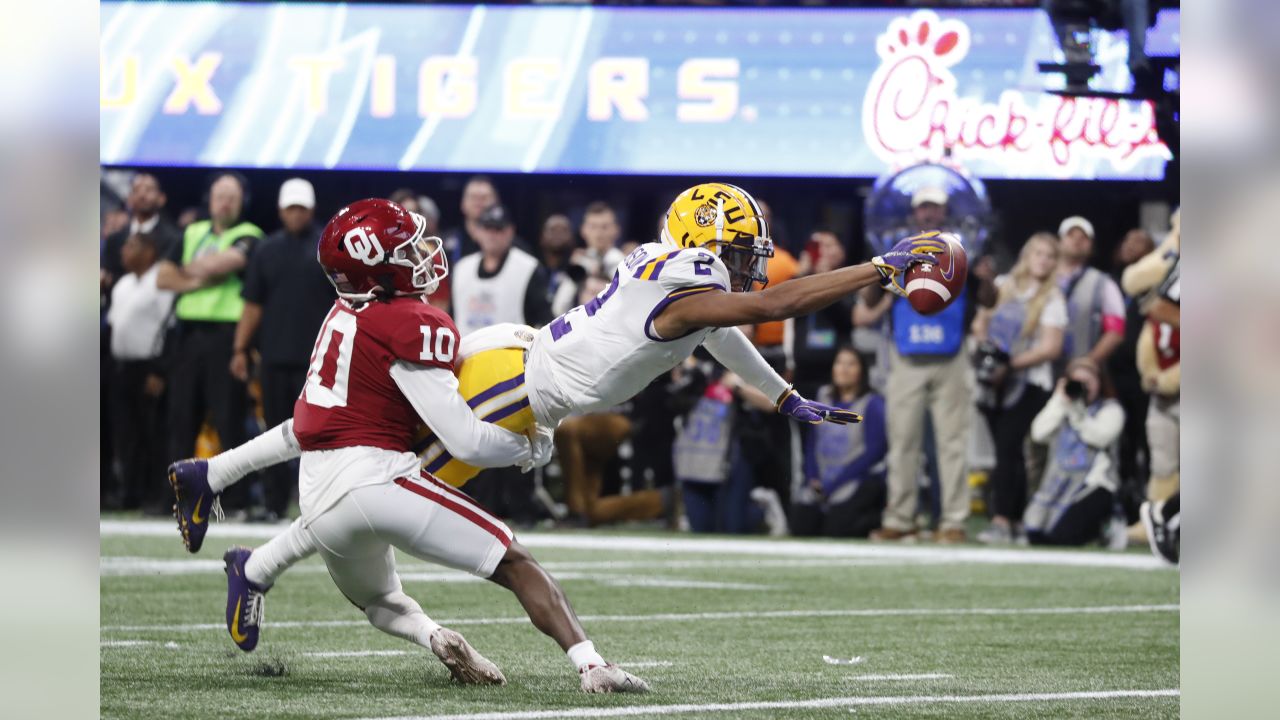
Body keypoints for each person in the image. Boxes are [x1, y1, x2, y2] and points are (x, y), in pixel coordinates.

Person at [171, 183, 937, 615]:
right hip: (515, 387)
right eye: (738, 253)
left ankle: (228, 504)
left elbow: (721, 332)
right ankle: (256, 560)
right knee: (378, 477)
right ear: (702, 245)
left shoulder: (681, 287)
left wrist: (783, 396)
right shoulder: (681, 286)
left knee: (366, 448)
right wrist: (878, 269)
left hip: (522, 365)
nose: (748, 265)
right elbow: (770, 308)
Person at [174, 199, 647, 693]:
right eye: (405, 250)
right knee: (512, 560)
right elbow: (465, 440)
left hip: (317, 494)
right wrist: (528, 450)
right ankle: (592, 664)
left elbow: (306, 427)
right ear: (375, 273)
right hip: (377, 481)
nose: (421, 254)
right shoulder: (411, 323)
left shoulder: (342, 313)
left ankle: (430, 634)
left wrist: (220, 472)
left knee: (381, 601)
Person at [864, 187, 974, 544]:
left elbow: (986, 296)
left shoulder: (962, 249)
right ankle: (900, 517)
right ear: (915, 213)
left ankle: (953, 520)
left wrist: (981, 271)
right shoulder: (898, 248)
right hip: (907, 355)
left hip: (951, 354)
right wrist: (883, 265)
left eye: (935, 208)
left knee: (953, 442)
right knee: (903, 440)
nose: (929, 214)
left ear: (944, 213)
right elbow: (869, 297)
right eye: (924, 207)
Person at [156, 172, 265, 512]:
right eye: (220, 196)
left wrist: (186, 271)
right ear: (210, 199)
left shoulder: (249, 234)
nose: (225, 203)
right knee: (180, 417)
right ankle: (176, 495)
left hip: (226, 336)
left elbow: (231, 260)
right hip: (188, 335)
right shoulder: (191, 232)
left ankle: (234, 499)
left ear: (242, 201)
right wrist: (201, 277)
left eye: (232, 196)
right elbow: (162, 277)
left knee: (229, 418)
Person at [229, 178, 331, 520]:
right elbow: (253, 304)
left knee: (317, 435)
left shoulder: (327, 249)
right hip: (273, 356)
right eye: (291, 208)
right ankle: (273, 504)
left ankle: (317, 506)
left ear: (312, 209)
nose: (296, 214)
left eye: (301, 208)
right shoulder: (266, 250)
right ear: (281, 210)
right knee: (274, 430)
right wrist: (240, 348)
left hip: (318, 361)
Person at [971, 232, 1066, 544]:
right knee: (1008, 451)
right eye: (1038, 253)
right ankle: (1015, 521)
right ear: (1027, 255)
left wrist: (1009, 365)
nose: (1043, 260)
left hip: (1029, 383)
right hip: (994, 381)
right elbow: (980, 323)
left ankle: (1003, 518)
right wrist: (989, 355)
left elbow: (1051, 348)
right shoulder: (1004, 286)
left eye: (1050, 256)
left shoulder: (1053, 297)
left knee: (1008, 447)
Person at [105, 233, 175, 511]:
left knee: (153, 433)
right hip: (121, 367)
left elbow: (169, 327)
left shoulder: (161, 279)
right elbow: (114, 324)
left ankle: (156, 494)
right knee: (125, 434)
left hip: (150, 367)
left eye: (131, 245)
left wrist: (159, 370)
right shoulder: (122, 283)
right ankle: (129, 493)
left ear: (149, 251)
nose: (123, 251)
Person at [1023, 358, 1125, 546]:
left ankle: (1103, 528)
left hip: (1093, 484)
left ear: (1100, 382)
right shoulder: (1063, 407)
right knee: (1034, 533)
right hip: (1059, 481)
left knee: (1062, 537)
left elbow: (1098, 437)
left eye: (1088, 382)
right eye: (1078, 382)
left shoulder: (1111, 410)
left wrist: (1078, 413)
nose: (1083, 388)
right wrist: (1059, 400)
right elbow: (1038, 433)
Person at [789, 347, 887, 538]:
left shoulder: (872, 403)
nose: (844, 369)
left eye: (851, 364)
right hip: (823, 478)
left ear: (862, 371)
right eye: (840, 363)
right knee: (801, 524)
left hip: (854, 478)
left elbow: (874, 451)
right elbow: (812, 443)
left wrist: (835, 484)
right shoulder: (822, 397)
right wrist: (813, 476)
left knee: (837, 527)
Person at [450, 204, 552, 337]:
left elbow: (545, 320)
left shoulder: (527, 268)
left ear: (510, 231)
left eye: (498, 229)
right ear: (477, 231)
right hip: (465, 353)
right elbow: (452, 316)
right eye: (487, 228)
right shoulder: (461, 268)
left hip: (511, 354)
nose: (492, 235)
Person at [787, 229, 856, 399]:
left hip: (836, 374)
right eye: (817, 246)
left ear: (841, 251)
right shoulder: (800, 283)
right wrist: (800, 275)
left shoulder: (850, 279)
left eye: (828, 246)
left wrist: (827, 280)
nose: (823, 251)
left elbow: (848, 317)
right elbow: (785, 305)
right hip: (802, 374)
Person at [1055, 216, 1127, 371]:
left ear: (1091, 246)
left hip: (1077, 373)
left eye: (1083, 237)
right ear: (1059, 241)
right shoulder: (1041, 277)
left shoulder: (1103, 284)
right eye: (1070, 235)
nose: (1077, 240)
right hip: (1033, 373)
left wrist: (1088, 363)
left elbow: (1116, 331)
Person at [441, 175, 499, 261]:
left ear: (496, 202)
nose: (478, 202)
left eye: (484, 198)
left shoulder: (508, 243)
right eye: (473, 197)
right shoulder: (443, 242)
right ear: (462, 203)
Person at [538, 213, 581, 317]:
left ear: (572, 237)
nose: (558, 234)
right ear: (542, 236)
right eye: (553, 230)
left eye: (563, 230)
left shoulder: (579, 269)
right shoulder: (532, 268)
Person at [570, 201, 625, 278]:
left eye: (604, 227)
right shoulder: (577, 262)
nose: (599, 233)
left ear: (616, 230)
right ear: (583, 230)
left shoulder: (625, 265)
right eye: (593, 227)